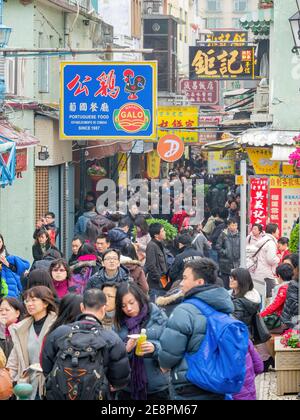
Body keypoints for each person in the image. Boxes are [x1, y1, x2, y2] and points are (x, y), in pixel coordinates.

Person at [159, 259, 234, 400]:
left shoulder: (185, 310)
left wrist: (163, 364)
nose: (181, 282)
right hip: (217, 381)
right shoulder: (224, 307)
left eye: (185, 278)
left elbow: (170, 351)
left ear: (199, 282)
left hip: (190, 383)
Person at [41, 289, 130, 400]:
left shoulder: (59, 333)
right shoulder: (111, 339)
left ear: (82, 307)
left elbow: (46, 367)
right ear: (104, 309)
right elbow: (120, 379)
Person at [114, 282, 170, 400]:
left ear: (140, 299)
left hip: (157, 386)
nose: (128, 308)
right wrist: (126, 349)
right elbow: (112, 356)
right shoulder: (118, 324)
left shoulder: (158, 317)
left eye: (131, 303)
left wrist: (155, 348)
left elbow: (171, 348)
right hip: (127, 387)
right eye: (123, 306)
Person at [7, 286, 57, 400]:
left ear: (45, 303)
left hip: (48, 385)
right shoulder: (22, 328)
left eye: (34, 300)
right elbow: (14, 358)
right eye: (27, 301)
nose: (29, 304)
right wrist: (8, 378)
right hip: (25, 386)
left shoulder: (56, 325)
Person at [251, 223, 281, 305]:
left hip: (259, 273)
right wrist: (279, 258)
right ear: (273, 231)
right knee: (270, 299)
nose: (279, 232)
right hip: (267, 274)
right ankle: (266, 316)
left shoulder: (263, 240)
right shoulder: (271, 243)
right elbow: (270, 259)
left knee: (260, 297)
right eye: (278, 230)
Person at [261, 264, 294, 332]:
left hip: (284, 321)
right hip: (292, 318)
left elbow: (274, 306)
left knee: (263, 329)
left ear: (279, 276)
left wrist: (260, 315)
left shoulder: (284, 288)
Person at [229, 268, 261, 335]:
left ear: (241, 281)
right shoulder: (253, 297)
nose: (231, 280)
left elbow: (234, 323)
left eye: (234, 279)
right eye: (231, 278)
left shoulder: (238, 302)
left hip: (238, 336)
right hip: (248, 334)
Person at [145, 223, 168, 301]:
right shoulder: (151, 246)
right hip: (156, 285)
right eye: (163, 231)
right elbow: (151, 266)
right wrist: (160, 280)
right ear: (156, 235)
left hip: (164, 280)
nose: (165, 232)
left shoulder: (160, 244)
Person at [215, 219, 241, 290]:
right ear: (228, 226)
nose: (235, 227)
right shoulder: (223, 235)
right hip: (225, 263)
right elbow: (217, 247)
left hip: (236, 263)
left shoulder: (240, 235)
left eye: (236, 225)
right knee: (226, 284)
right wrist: (225, 252)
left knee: (236, 283)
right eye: (232, 225)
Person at [281, 254, 299, 329]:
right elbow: (293, 305)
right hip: (291, 322)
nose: (285, 268)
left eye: (288, 265)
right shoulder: (292, 283)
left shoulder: (293, 283)